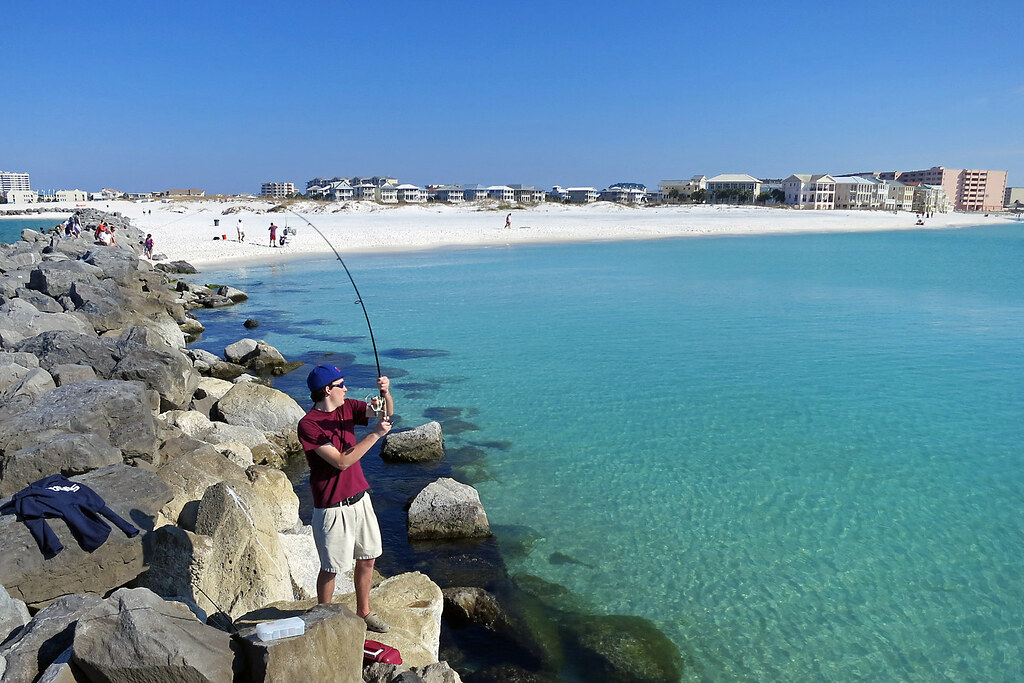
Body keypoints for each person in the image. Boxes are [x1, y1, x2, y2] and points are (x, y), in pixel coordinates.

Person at [297, 365, 394, 632]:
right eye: (341, 384)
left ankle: (364, 612)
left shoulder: (348, 407)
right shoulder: (308, 425)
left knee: (368, 558)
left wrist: (385, 394)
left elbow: (386, 412)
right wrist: (374, 435)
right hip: (331, 507)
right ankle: (325, 619)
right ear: (328, 390)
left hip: (360, 499)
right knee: (331, 568)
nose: (346, 389)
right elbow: (341, 462)